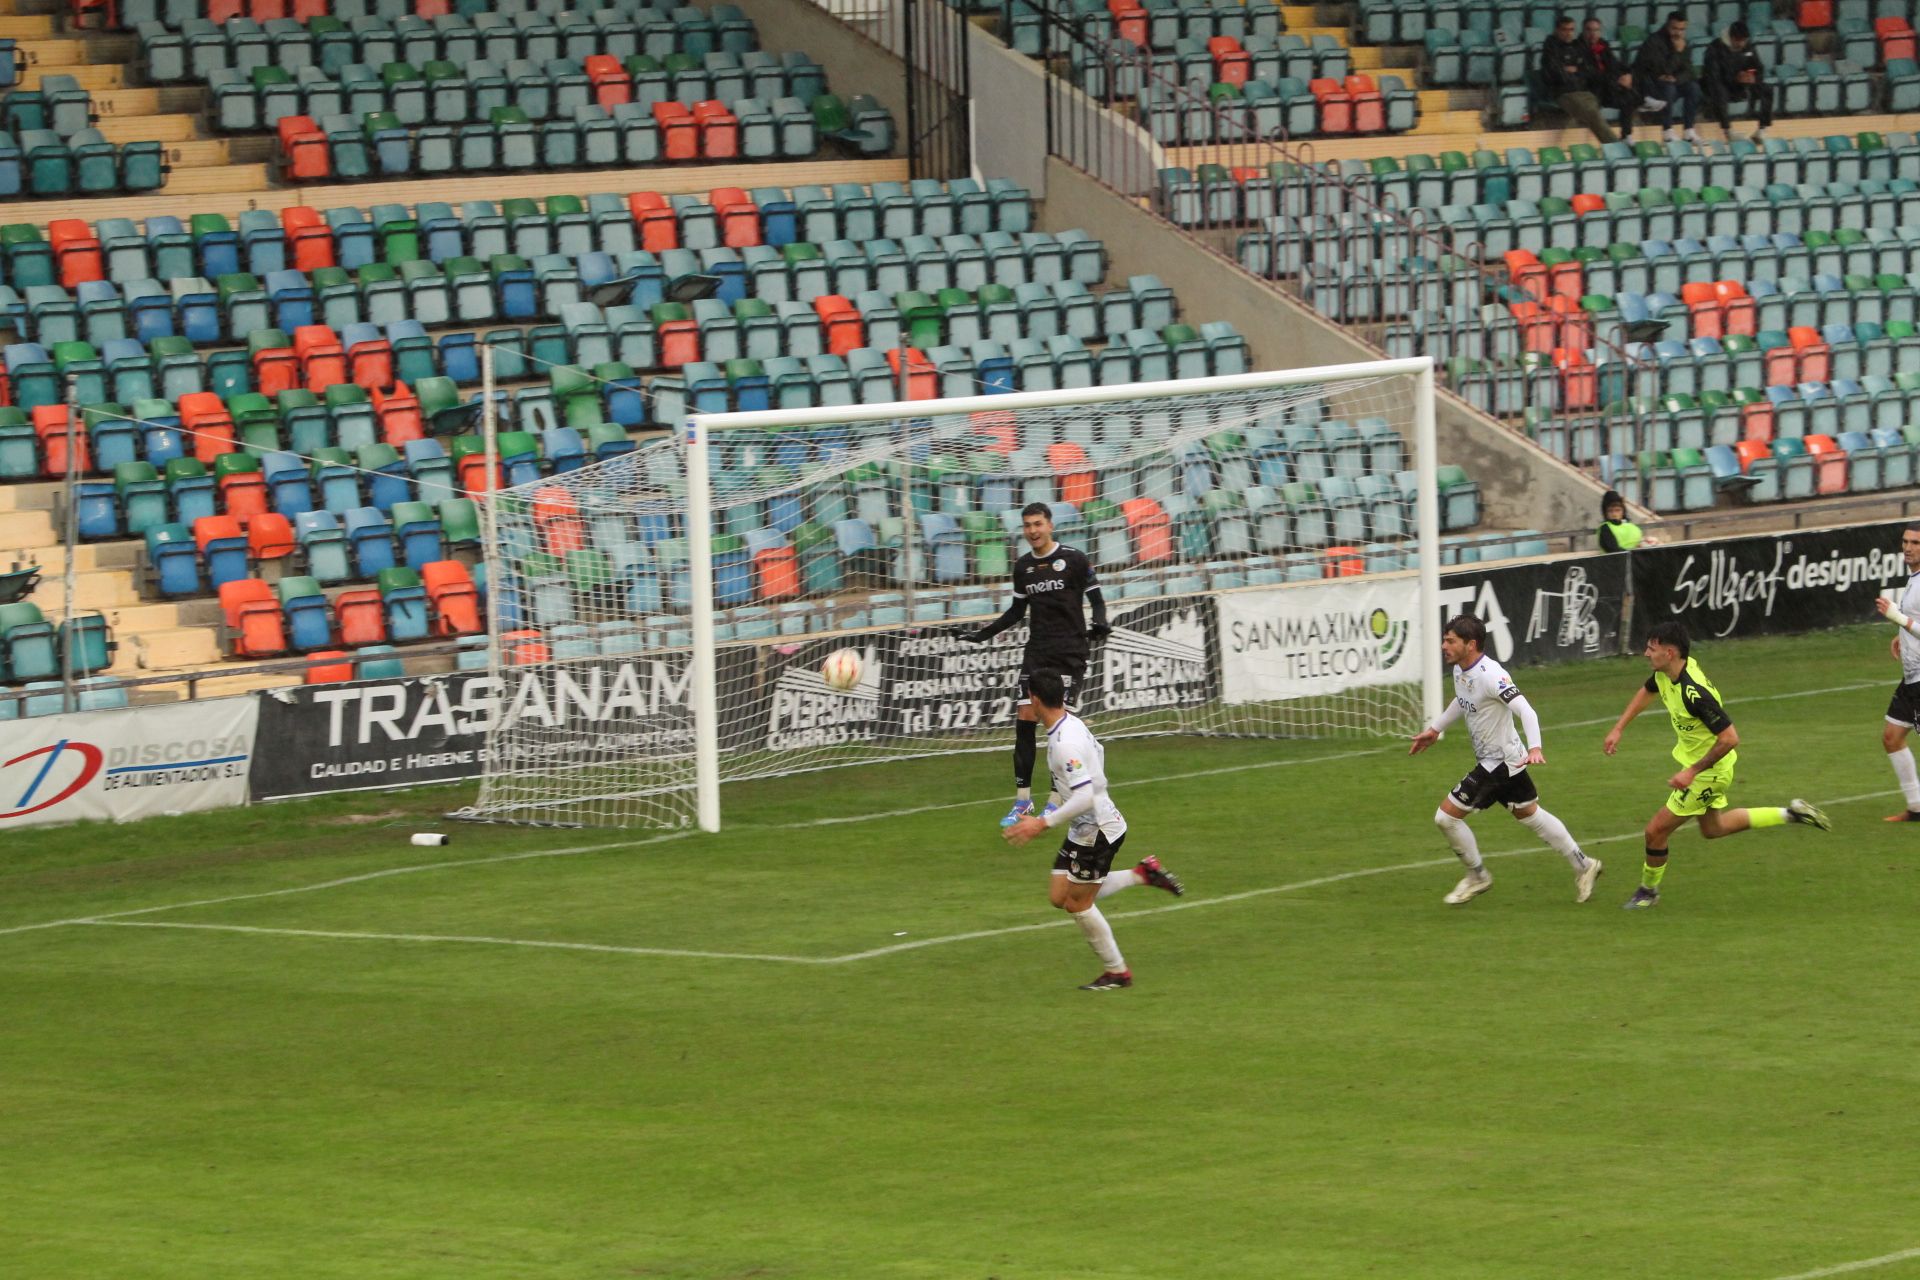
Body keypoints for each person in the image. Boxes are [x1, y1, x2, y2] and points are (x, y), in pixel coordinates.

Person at [1602, 621, 1830, 909]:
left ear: (1670, 653)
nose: (1646, 653)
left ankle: (1648, 891)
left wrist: (1692, 771)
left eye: (1651, 648)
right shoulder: (1664, 673)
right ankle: (1792, 813)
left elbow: (1730, 738)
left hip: (1708, 773)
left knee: (1655, 831)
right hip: (1703, 770)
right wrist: (1619, 727)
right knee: (1713, 829)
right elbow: (1647, 690)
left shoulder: (1694, 693)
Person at [1002, 668, 1185, 991]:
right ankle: (1141, 874)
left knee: (1077, 904)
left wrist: (1043, 823)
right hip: (1084, 826)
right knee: (1060, 895)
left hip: (1099, 829)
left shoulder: (1064, 744)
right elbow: (1096, 755)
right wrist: (1057, 804)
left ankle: (1117, 972)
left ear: (1034, 700)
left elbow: (1085, 795)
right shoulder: (1070, 725)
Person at [1409, 614, 1604, 905]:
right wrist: (1435, 729)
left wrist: (1535, 748)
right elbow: (1462, 700)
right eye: (1444, 640)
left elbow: (1527, 711)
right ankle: (1583, 864)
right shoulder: (1462, 670)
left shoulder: (1491, 675)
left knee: (1446, 818)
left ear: (1470, 644)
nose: (1443, 646)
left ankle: (1477, 876)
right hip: (1507, 759)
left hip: (1497, 763)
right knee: (1530, 814)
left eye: (1450, 641)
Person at [965, 502, 1110, 828]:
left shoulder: (1074, 559)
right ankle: (1022, 802)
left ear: (1049, 525)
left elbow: (1096, 598)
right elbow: (1016, 612)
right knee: (1024, 718)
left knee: (1060, 725)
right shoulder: (1023, 567)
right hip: (1038, 651)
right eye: (1027, 525)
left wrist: (1101, 622)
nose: (1032, 531)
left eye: (1038, 524)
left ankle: (1055, 800)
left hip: (1071, 651)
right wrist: (982, 635)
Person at [1871, 523, 1920, 821]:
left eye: (1915, 542)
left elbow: (1910, 619)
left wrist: (1898, 618)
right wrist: (1901, 636)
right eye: (1905, 541)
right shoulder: (1914, 579)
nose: (1908, 547)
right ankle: (1916, 807)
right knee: (1892, 737)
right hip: (1912, 676)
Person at [1580, 17, 1666, 141]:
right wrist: (1617, 79)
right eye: (1589, 30)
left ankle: (1627, 135)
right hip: (1594, 89)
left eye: (1596, 30)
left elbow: (1615, 64)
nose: (1593, 34)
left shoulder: (1603, 44)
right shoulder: (1578, 48)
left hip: (1610, 87)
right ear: (1583, 31)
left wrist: (1628, 73)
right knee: (1626, 92)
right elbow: (1590, 74)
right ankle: (1643, 100)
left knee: (1633, 80)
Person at [1541, 13, 1621, 144]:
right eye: (1564, 30)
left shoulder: (1576, 46)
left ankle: (1625, 137)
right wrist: (1576, 73)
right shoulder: (1550, 48)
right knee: (1591, 112)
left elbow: (1590, 70)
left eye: (1571, 30)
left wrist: (1576, 70)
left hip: (1584, 91)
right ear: (1556, 30)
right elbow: (1556, 74)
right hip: (1564, 93)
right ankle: (1614, 144)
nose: (1568, 33)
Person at [1634, 11, 1703, 141]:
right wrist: (1677, 52)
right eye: (1675, 28)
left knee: (1693, 87)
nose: (1678, 33)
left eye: (1682, 29)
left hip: (1671, 82)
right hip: (1651, 87)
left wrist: (1676, 78)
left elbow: (1689, 71)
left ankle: (1689, 130)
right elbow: (1661, 70)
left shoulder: (1682, 43)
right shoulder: (1654, 41)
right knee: (1669, 88)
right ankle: (1667, 131)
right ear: (1667, 25)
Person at [1701, 21, 1772, 140]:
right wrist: (1735, 78)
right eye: (1738, 40)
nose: (1741, 44)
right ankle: (1728, 130)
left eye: (1744, 40)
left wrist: (1751, 75)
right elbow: (1713, 77)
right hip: (1720, 85)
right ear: (1731, 37)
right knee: (1719, 91)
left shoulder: (1748, 47)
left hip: (1740, 85)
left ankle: (1762, 129)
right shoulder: (1715, 48)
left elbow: (1758, 67)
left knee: (1767, 89)